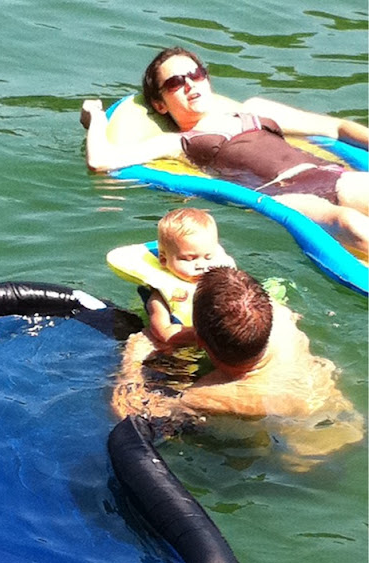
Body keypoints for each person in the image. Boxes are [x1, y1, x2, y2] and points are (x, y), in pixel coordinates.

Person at [81, 47, 369, 256]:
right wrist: (95, 118)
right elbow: (100, 161)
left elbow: (336, 128)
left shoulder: (255, 110)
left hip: (325, 174)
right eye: (175, 83)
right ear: (160, 105)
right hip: (283, 194)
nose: (189, 84)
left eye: (195, 74)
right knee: (350, 224)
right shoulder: (178, 142)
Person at [112, 267, 363, 468]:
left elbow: (131, 413)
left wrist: (133, 358)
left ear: (200, 341)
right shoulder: (280, 319)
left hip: (305, 460)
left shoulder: (210, 394)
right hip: (351, 425)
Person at [137, 207, 235, 345]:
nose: (201, 265)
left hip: (212, 341)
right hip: (179, 345)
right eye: (189, 259)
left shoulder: (221, 282)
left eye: (208, 257)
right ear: (164, 260)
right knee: (144, 343)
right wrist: (208, 335)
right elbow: (163, 332)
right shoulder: (160, 294)